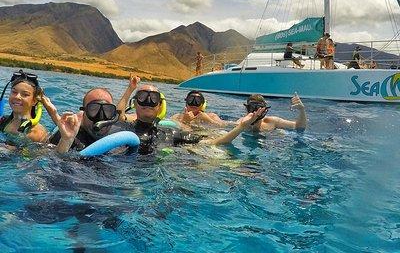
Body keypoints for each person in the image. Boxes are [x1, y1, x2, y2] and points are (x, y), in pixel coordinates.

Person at [116, 75, 264, 155]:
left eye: (153, 98)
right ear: (135, 103)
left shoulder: (170, 133)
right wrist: (130, 89)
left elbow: (214, 142)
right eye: (142, 97)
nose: (147, 102)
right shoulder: (125, 127)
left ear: (160, 105)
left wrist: (241, 127)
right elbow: (118, 116)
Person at [48, 87, 126, 153]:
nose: (101, 117)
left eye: (107, 110)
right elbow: (52, 164)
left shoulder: (121, 132)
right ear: (84, 113)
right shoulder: (68, 136)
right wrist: (65, 141)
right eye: (94, 109)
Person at [0, 69, 48, 143]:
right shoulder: (3, 121)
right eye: (14, 92)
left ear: (34, 101)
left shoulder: (36, 133)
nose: (17, 97)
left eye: (25, 94)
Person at [237, 93, 307, 133]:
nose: (255, 112)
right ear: (246, 109)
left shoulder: (272, 121)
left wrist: (302, 110)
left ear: (265, 111)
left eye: (259, 108)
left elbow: (299, 127)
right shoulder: (241, 123)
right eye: (252, 108)